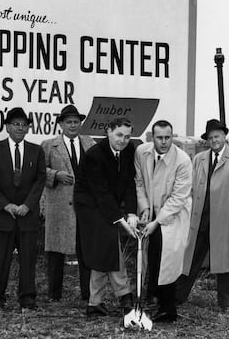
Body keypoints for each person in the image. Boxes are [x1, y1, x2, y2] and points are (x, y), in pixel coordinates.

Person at [177, 119, 229, 312]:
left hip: (226, 221)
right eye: (210, 138)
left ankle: (224, 303)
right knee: (191, 259)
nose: (214, 140)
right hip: (201, 219)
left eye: (217, 136)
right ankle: (178, 297)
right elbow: (191, 189)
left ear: (224, 136)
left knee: (225, 263)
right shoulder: (200, 159)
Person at [74, 116, 139, 317]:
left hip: (109, 205)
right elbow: (100, 193)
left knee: (104, 251)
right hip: (90, 206)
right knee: (110, 245)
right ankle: (125, 296)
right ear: (108, 131)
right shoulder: (94, 155)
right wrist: (120, 221)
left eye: (127, 137)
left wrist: (132, 212)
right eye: (119, 135)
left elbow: (129, 183)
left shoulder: (130, 150)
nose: (123, 140)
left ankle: (95, 303)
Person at [0, 107, 46, 310]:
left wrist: (28, 205)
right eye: (16, 124)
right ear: (7, 127)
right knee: (0, 259)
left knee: (28, 259)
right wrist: (5, 204)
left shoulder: (37, 151)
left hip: (27, 216)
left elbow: (40, 180)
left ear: (28, 128)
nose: (20, 128)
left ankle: (27, 298)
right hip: (1, 215)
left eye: (24, 124)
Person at [134, 120, 192, 323]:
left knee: (167, 260)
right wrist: (145, 208)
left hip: (172, 217)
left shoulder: (183, 160)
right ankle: (155, 298)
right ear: (152, 137)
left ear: (172, 136)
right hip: (152, 214)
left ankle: (169, 310)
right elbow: (139, 182)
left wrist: (157, 221)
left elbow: (178, 198)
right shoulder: (142, 152)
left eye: (168, 137)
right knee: (153, 254)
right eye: (159, 138)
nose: (164, 142)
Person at [41, 105, 96, 302]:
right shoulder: (49, 145)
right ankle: (54, 295)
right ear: (61, 124)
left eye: (76, 122)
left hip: (85, 205)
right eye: (69, 122)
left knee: (86, 250)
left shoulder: (90, 143)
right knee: (55, 251)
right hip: (59, 205)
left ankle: (87, 294)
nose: (73, 125)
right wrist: (55, 175)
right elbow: (39, 171)